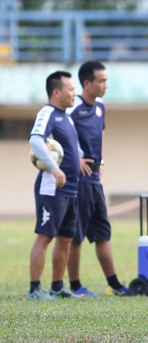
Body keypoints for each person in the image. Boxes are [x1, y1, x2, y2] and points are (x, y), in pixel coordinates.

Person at [65, 61, 132, 297]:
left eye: (106, 81)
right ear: (86, 83)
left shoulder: (100, 107)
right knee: (76, 236)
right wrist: (77, 160)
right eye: (101, 81)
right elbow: (60, 137)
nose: (105, 85)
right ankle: (74, 286)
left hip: (95, 179)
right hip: (79, 180)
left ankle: (114, 285)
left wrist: (99, 161)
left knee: (103, 232)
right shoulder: (72, 109)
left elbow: (99, 136)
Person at [27, 71, 81, 300]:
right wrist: (54, 168)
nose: (74, 93)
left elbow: (71, 149)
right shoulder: (47, 113)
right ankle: (35, 289)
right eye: (70, 89)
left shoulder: (66, 116)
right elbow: (35, 140)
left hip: (71, 189)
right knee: (45, 236)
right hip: (52, 188)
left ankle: (57, 287)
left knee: (66, 238)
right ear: (56, 92)